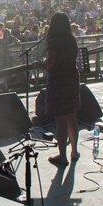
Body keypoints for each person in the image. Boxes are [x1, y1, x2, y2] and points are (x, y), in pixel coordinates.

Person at [43, 12, 81, 166]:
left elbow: (50, 62)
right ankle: (74, 151)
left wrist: (43, 63)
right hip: (71, 78)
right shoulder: (72, 40)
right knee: (71, 117)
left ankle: (62, 156)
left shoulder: (54, 41)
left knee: (60, 119)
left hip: (59, 80)